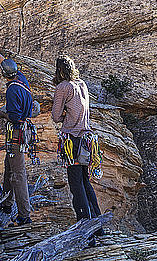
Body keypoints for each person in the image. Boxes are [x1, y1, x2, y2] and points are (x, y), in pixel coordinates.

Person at [51, 54, 104, 245]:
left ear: (59, 70)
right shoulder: (82, 84)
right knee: (85, 182)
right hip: (87, 140)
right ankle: (98, 227)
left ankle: (84, 229)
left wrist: (64, 112)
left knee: (76, 185)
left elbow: (55, 116)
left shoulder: (62, 87)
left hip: (71, 141)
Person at [0, 40, 33, 225]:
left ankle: (24, 215)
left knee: (18, 173)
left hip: (16, 134)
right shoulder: (21, 79)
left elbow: (14, 116)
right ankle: (6, 203)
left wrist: (0, 114)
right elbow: (4, 61)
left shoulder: (12, 90)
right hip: (23, 132)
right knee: (9, 167)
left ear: (4, 76)